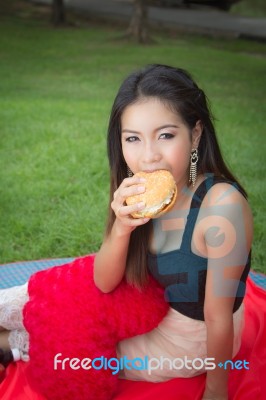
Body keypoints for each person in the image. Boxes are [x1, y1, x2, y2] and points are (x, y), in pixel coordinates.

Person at [0, 64, 253, 400]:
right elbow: (103, 281)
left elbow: (217, 318)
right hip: (147, 301)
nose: (148, 157)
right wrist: (121, 227)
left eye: (165, 135)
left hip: (189, 339)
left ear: (194, 134)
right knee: (48, 293)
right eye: (133, 139)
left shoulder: (222, 208)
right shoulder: (140, 193)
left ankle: (6, 345)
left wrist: (216, 392)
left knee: (64, 334)